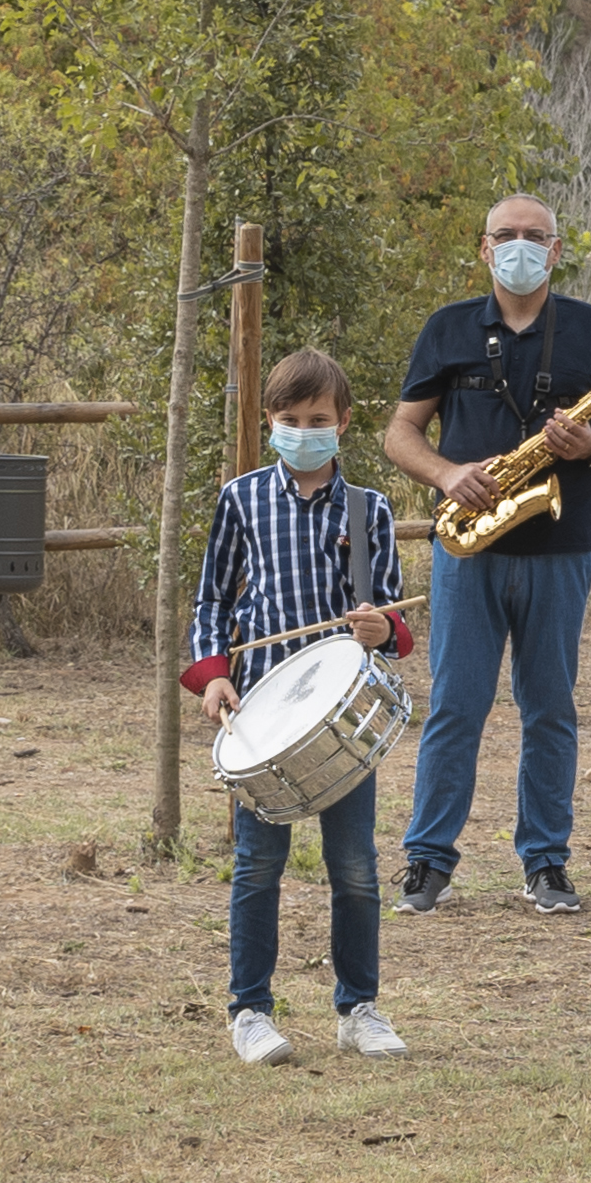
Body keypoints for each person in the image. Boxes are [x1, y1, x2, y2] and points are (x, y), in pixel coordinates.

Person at [379, 195, 591, 917]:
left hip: (560, 545)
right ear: (484, 247)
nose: (521, 246)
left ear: (556, 251)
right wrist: (445, 474)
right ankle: (427, 861)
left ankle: (547, 863)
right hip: (469, 544)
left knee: (550, 709)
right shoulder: (447, 327)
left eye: (535, 236)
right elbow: (400, 432)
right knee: (455, 708)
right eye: (508, 236)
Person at [191, 348, 415, 1066]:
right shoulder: (240, 498)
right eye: (289, 419)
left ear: (343, 424)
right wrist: (214, 676)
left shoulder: (369, 509)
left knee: (355, 865)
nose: (303, 431)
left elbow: (390, 617)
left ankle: (359, 1008)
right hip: (261, 714)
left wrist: (384, 630)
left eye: (318, 420)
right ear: (269, 422)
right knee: (259, 865)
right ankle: (250, 1011)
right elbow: (212, 600)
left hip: (341, 715)